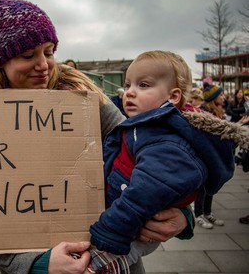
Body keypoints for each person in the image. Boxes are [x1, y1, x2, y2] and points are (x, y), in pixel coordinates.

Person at [0, 0, 195, 273]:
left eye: (49, 51)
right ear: (1, 63)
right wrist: (37, 265)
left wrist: (183, 216)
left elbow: (154, 154)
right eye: (28, 55)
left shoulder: (86, 101)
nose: (43, 65)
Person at [88, 51, 245, 272]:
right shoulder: (147, 124)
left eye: (143, 85)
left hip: (130, 225)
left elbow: (147, 190)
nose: (129, 93)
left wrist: (110, 230)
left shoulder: (163, 138)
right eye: (128, 84)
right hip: (127, 214)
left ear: (173, 97)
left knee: (107, 260)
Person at [193, 83, 227, 229]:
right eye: (220, 95)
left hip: (213, 155)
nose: (223, 97)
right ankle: (198, 214)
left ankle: (207, 212)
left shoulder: (217, 111)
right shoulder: (203, 112)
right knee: (202, 186)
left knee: (211, 185)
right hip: (204, 155)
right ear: (213, 97)